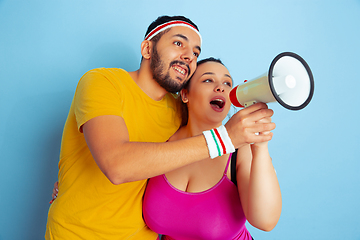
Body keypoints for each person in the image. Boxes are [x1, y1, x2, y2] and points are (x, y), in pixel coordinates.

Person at [46, 15, 275, 240]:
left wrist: (252, 124)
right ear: (147, 49)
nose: (189, 56)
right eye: (178, 43)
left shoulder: (178, 112)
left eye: (195, 53)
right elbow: (116, 165)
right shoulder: (103, 83)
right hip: (75, 234)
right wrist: (226, 138)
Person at [142, 58, 282, 240]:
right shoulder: (162, 141)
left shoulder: (240, 151)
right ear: (185, 95)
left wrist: (260, 146)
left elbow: (266, 221)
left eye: (227, 83)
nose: (220, 87)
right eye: (208, 80)